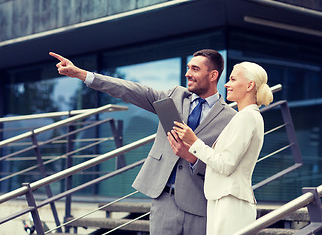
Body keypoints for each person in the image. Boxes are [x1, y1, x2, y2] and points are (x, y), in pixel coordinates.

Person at [49, 49, 237, 235]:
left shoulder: (230, 118)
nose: (187, 73)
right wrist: (81, 74)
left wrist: (193, 158)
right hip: (164, 201)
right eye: (188, 68)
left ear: (213, 75)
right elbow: (129, 90)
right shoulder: (175, 95)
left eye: (195, 69)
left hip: (200, 206)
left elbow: (227, 166)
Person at [167, 61, 273, 235]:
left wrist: (195, 142)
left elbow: (226, 164)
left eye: (232, 79)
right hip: (224, 199)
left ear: (249, 85)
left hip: (231, 202)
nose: (226, 84)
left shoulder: (246, 117)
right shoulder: (245, 117)